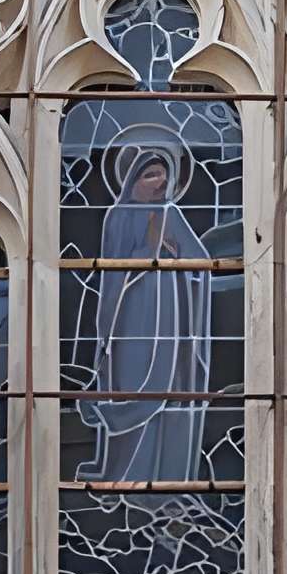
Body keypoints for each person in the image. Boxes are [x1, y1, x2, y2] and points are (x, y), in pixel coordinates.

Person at [77, 143, 211, 488]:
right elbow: (111, 273)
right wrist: (150, 249)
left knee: (167, 390)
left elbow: (202, 263)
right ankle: (120, 476)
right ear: (131, 181)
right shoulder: (118, 216)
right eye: (150, 174)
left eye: (164, 174)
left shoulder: (171, 214)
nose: (160, 182)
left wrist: (176, 256)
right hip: (129, 316)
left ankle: (163, 481)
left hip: (170, 317)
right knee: (128, 385)